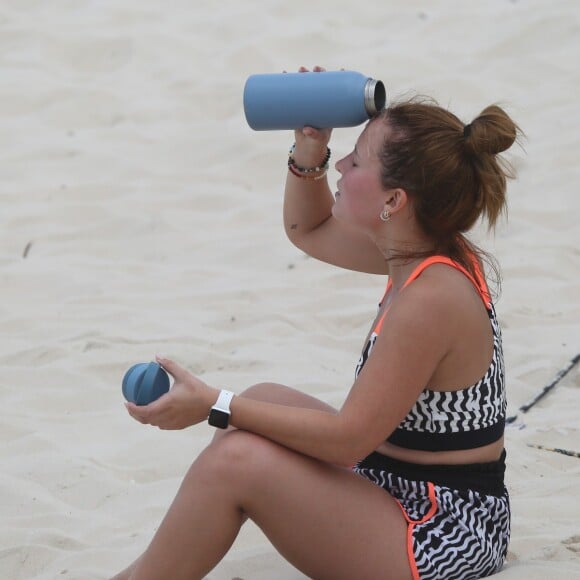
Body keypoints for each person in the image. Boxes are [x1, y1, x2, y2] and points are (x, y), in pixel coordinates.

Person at [113, 74, 521, 580]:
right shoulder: (418, 250)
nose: (343, 166)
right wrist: (310, 150)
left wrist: (214, 404)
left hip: (443, 530)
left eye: (357, 160)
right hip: (399, 479)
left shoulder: (432, 297)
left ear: (393, 201)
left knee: (236, 457)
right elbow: (309, 229)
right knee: (264, 399)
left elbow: (348, 440)